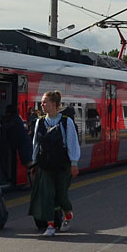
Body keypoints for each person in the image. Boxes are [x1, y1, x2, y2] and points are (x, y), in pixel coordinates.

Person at [30, 90, 80, 237]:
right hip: (45, 164)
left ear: (54, 104)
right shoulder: (40, 121)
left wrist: (74, 163)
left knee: (61, 196)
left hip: (62, 164)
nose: (42, 104)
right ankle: (50, 226)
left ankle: (68, 215)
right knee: (47, 194)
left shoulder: (66, 122)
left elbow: (72, 143)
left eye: (44, 102)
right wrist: (34, 163)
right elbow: (36, 144)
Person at [0, 104, 32, 187]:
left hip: (23, 144)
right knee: (27, 163)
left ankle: (30, 183)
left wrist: (0, 123)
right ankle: (29, 183)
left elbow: (6, 126)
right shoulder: (16, 118)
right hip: (23, 143)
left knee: (28, 163)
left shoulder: (14, 119)